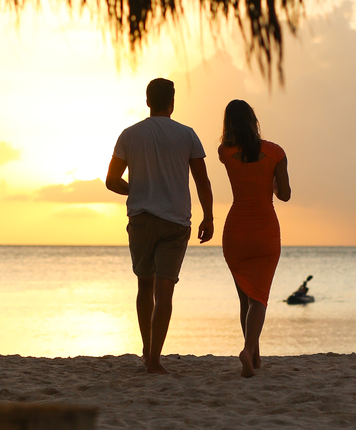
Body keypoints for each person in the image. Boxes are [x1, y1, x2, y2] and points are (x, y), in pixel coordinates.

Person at [106, 78, 214, 374]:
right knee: (165, 289)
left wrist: (138, 189)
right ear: (172, 103)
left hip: (141, 219)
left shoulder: (130, 134)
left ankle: (145, 350)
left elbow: (111, 181)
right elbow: (202, 180)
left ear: (147, 101)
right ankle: (155, 358)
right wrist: (209, 216)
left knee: (144, 284)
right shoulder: (187, 135)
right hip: (176, 221)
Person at [218, 99, 291, 378]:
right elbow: (284, 195)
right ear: (253, 120)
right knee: (259, 297)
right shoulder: (276, 153)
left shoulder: (224, 152)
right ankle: (249, 352)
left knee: (245, 299)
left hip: (236, 231)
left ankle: (255, 357)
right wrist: (272, 183)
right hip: (265, 232)